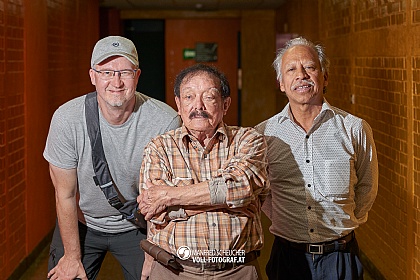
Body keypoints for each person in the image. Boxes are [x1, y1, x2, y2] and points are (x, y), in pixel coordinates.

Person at [44, 36, 181, 280]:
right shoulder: (67, 119)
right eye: (106, 72)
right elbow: (64, 195)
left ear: (137, 76)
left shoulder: (164, 121)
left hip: (138, 226)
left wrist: (152, 255)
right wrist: (72, 256)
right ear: (93, 76)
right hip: (82, 224)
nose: (116, 81)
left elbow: (163, 197)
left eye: (124, 72)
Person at [255, 37, 378, 279]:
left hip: (340, 257)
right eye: (291, 69)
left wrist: (344, 222)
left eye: (310, 67)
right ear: (281, 83)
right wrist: (287, 218)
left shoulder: (354, 129)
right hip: (288, 258)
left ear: (325, 77)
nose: (301, 75)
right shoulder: (264, 135)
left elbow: (367, 188)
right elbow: (262, 193)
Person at [137, 64, 270, 280]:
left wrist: (168, 195)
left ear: (225, 104)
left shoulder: (249, 140)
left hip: (238, 271)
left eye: (209, 97)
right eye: (189, 97)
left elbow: (241, 188)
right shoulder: (159, 148)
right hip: (173, 270)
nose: (198, 106)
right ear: (178, 105)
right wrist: (228, 200)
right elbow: (156, 213)